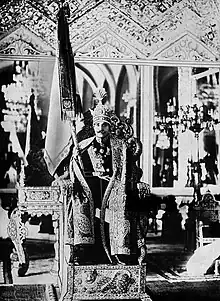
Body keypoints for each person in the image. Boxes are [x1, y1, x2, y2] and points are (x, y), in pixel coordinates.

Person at [57, 91, 144, 265]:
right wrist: (75, 162)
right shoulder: (81, 146)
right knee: (79, 203)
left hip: (114, 186)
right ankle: (82, 250)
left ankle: (121, 252)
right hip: (89, 186)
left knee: (124, 203)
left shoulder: (120, 146)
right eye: (97, 124)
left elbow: (127, 171)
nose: (99, 128)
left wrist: (124, 187)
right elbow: (72, 170)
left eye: (104, 125)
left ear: (109, 126)